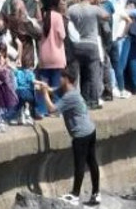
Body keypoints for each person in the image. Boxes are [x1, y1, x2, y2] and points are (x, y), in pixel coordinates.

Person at [36, 68, 100, 206]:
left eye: (61, 77)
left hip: (81, 135)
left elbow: (52, 109)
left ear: (66, 79)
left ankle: (75, 195)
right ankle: (96, 193)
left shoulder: (70, 96)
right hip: (90, 130)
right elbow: (55, 90)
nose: (59, 79)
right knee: (92, 162)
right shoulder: (69, 89)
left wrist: (45, 94)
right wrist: (47, 88)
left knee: (80, 165)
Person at [67, 0, 111, 107]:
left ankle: (82, 99)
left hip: (76, 44)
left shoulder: (72, 9)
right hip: (91, 44)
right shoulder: (94, 9)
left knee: (80, 74)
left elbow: (66, 18)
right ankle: (92, 101)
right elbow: (107, 16)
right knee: (92, 74)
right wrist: (99, 4)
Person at [37, 0, 67, 116]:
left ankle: (42, 109)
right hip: (56, 55)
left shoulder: (42, 16)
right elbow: (62, 35)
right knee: (55, 85)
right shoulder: (57, 16)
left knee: (44, 84)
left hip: (44, 56)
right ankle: (55, 109)